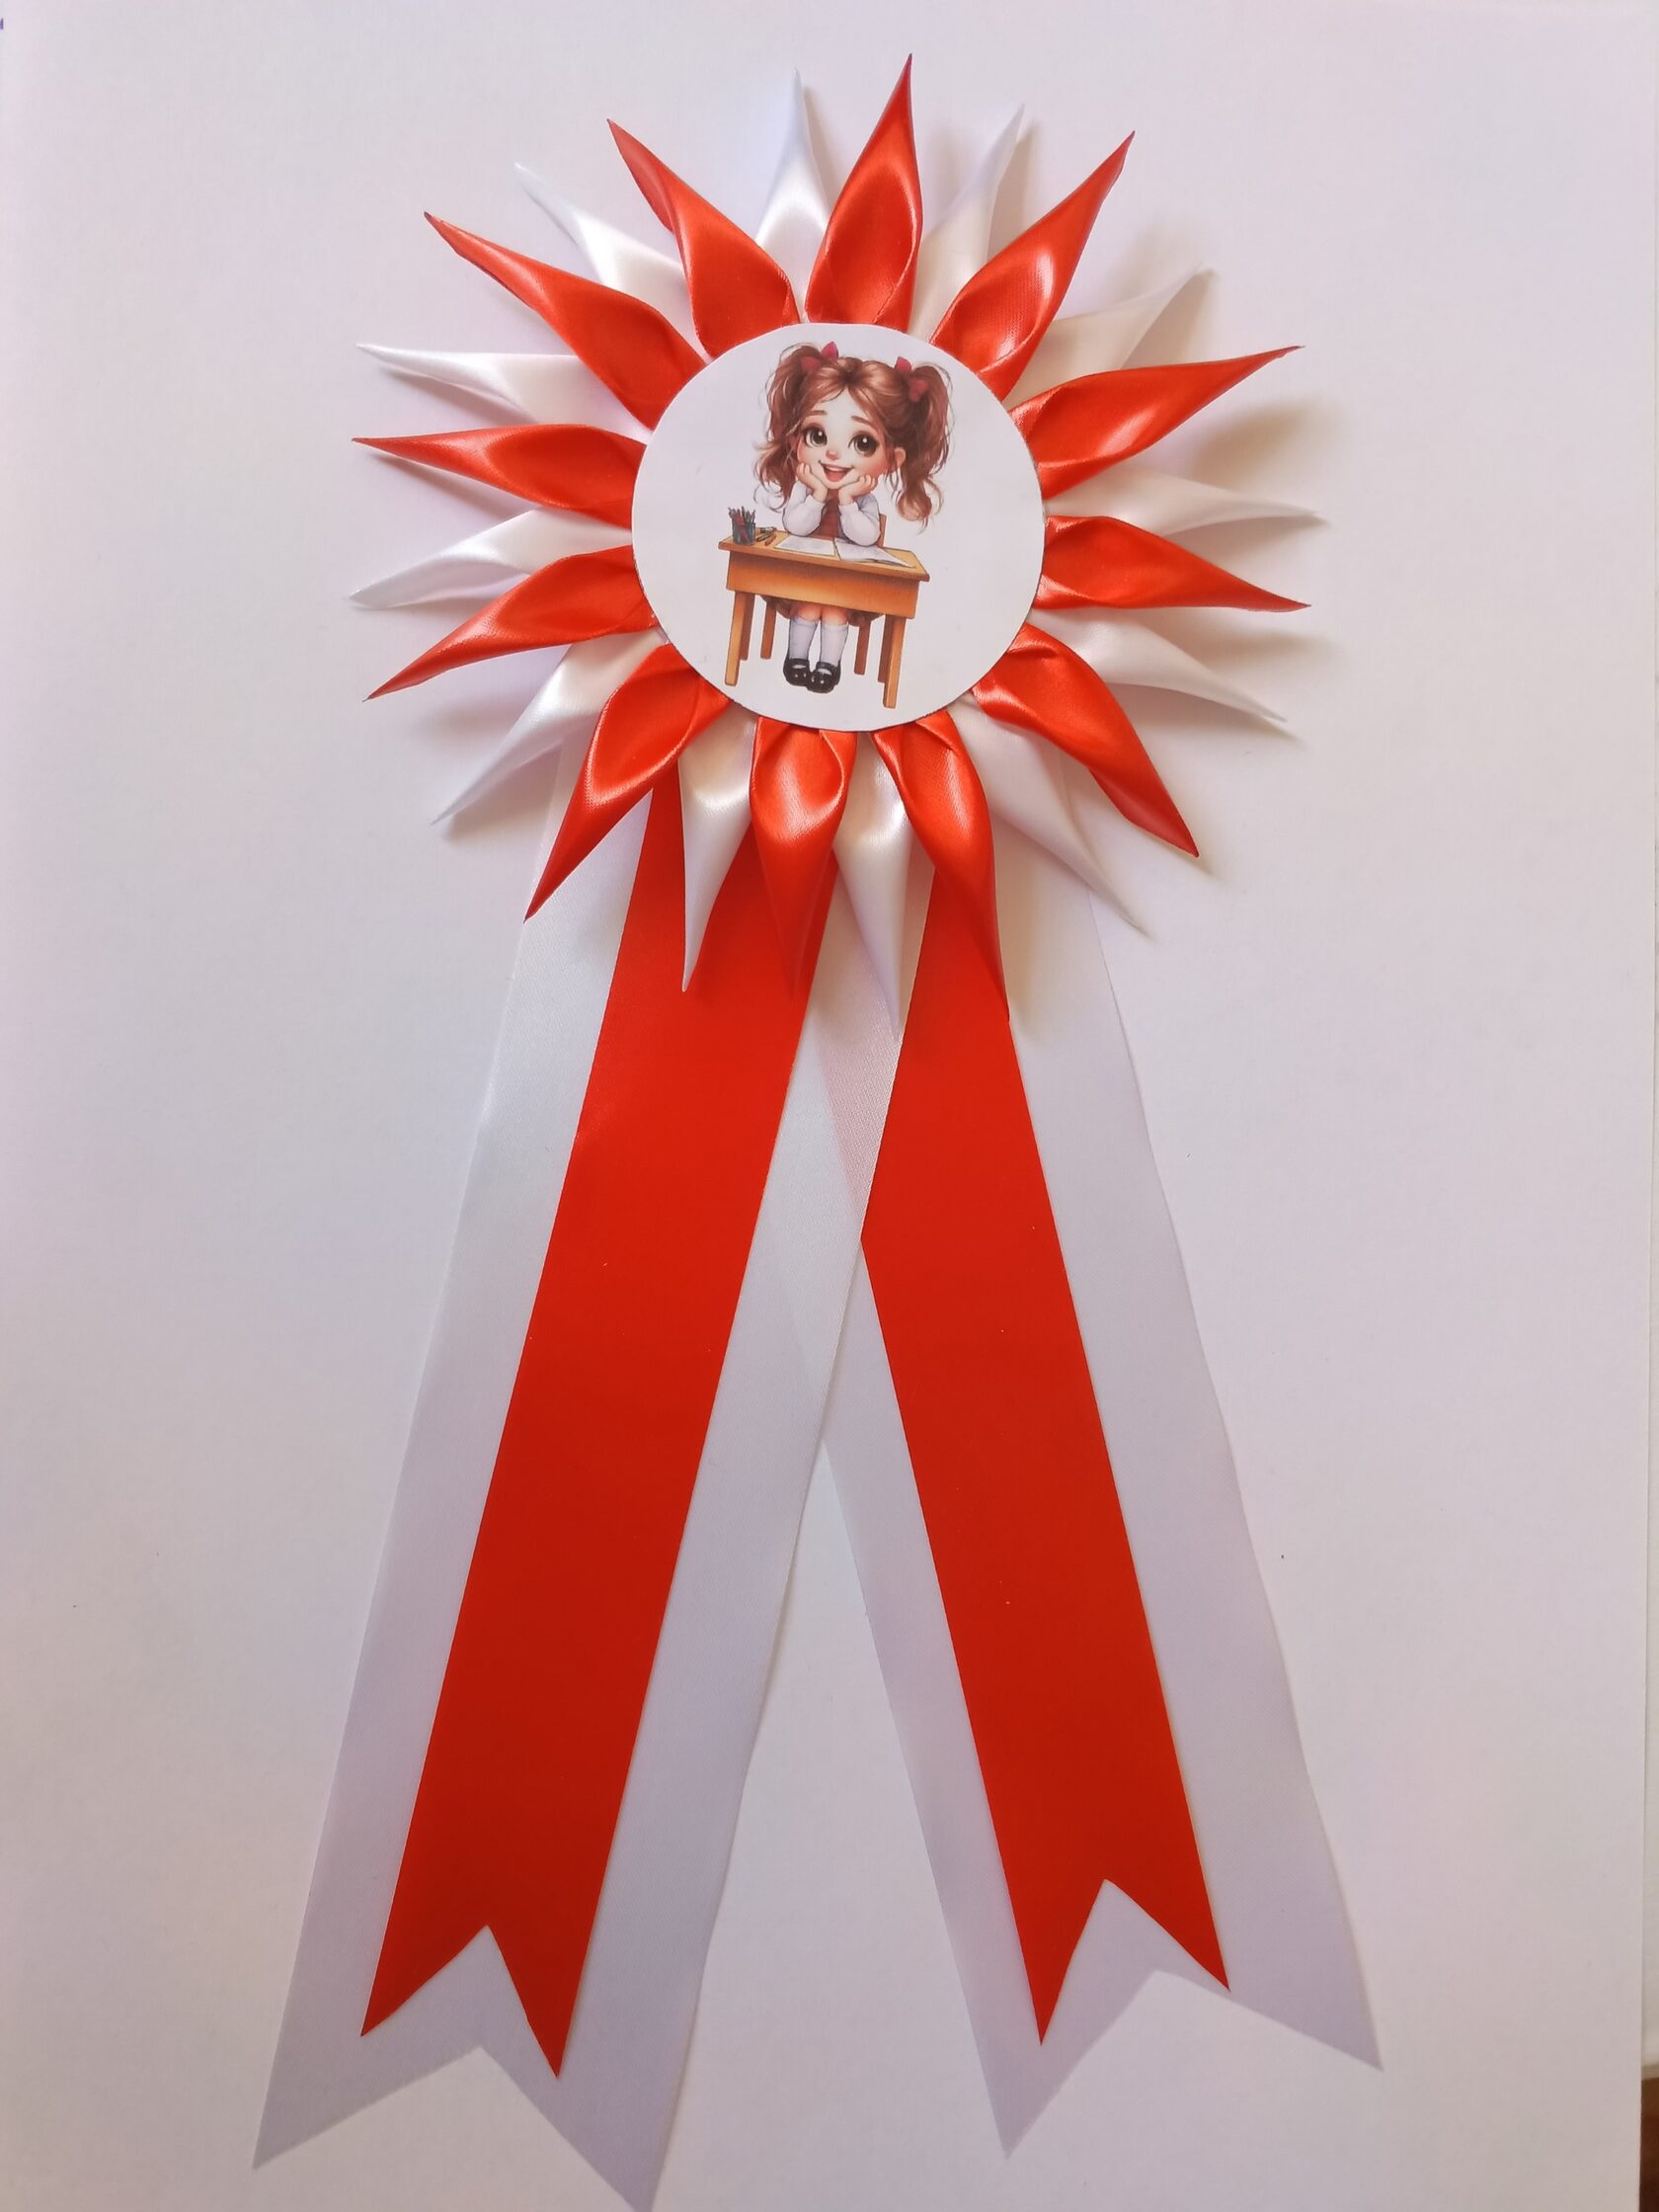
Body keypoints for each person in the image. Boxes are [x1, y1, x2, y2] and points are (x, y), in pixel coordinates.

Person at [754, 341, 951, 693]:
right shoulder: (805, 489)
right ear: (796, 443)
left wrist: (846, 502)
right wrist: (817, 495)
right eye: (817, 435)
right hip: (802, 573)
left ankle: (828, 666)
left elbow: (865, 537)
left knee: (834, 610)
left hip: (844, 582)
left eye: (862, 443)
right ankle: (796, 659)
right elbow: (795, 526)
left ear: (892, 460)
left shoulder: (863, 502)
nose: (832, 453)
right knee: (808, 606)